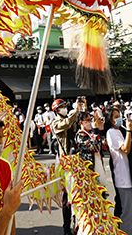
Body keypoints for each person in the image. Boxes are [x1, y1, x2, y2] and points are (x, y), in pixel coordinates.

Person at [105, 106, 132, 235]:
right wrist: (129, 131)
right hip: (124, 179)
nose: (119, 118)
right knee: (128, 216)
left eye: (119, 115)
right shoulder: (111, 133)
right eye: (115, 116)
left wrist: (131, 129)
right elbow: (126, 149)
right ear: (110, 119)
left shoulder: (122, 130)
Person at [51, 98, 83, 235]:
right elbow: (67, 123)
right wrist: (75, 110)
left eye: (65, 106)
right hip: (66, 163)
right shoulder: (56, 123)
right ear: (56, 110)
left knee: (79, 195)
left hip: (77, 160)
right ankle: (66, 227)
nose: (65, 108)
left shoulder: (72, 117)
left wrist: (81, 108)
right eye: (62, 106)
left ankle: (78, 225)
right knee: (67, 197)